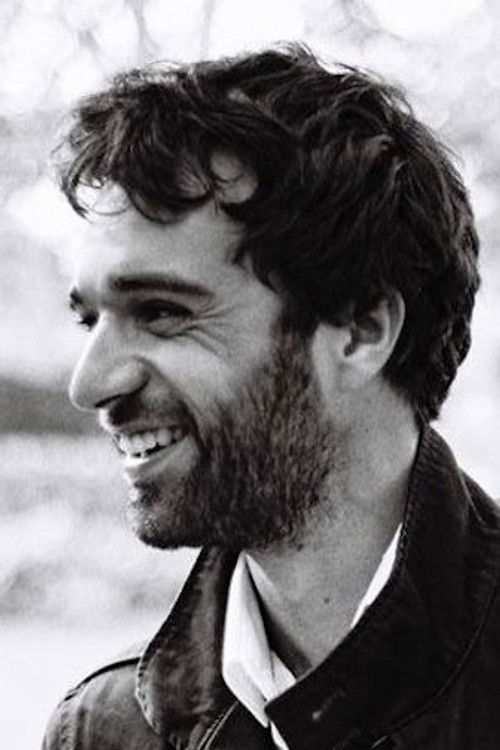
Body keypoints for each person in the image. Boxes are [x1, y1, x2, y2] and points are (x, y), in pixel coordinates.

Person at [42, 44, 500, 750]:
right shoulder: (104, 732)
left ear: (360, 330)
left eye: (161, 312)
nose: (90, 384)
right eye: (89, 320)